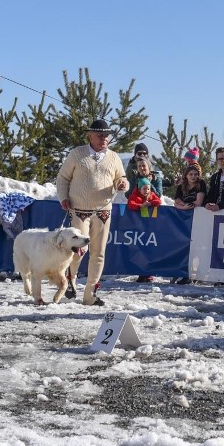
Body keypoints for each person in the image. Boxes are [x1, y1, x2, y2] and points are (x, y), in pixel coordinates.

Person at [57, 119, 129, 306]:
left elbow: (121, 177)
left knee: (99, 253)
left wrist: (122, 184)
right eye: (100, 135)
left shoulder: (114, 157)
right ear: (89, 135)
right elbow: (63, 178)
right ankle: (70, 283)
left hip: (103, 210)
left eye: (106, 135)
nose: (104, 138)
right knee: (79, 250)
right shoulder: (77, 154)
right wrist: (63, 197)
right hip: (79, 209)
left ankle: (90, 294)